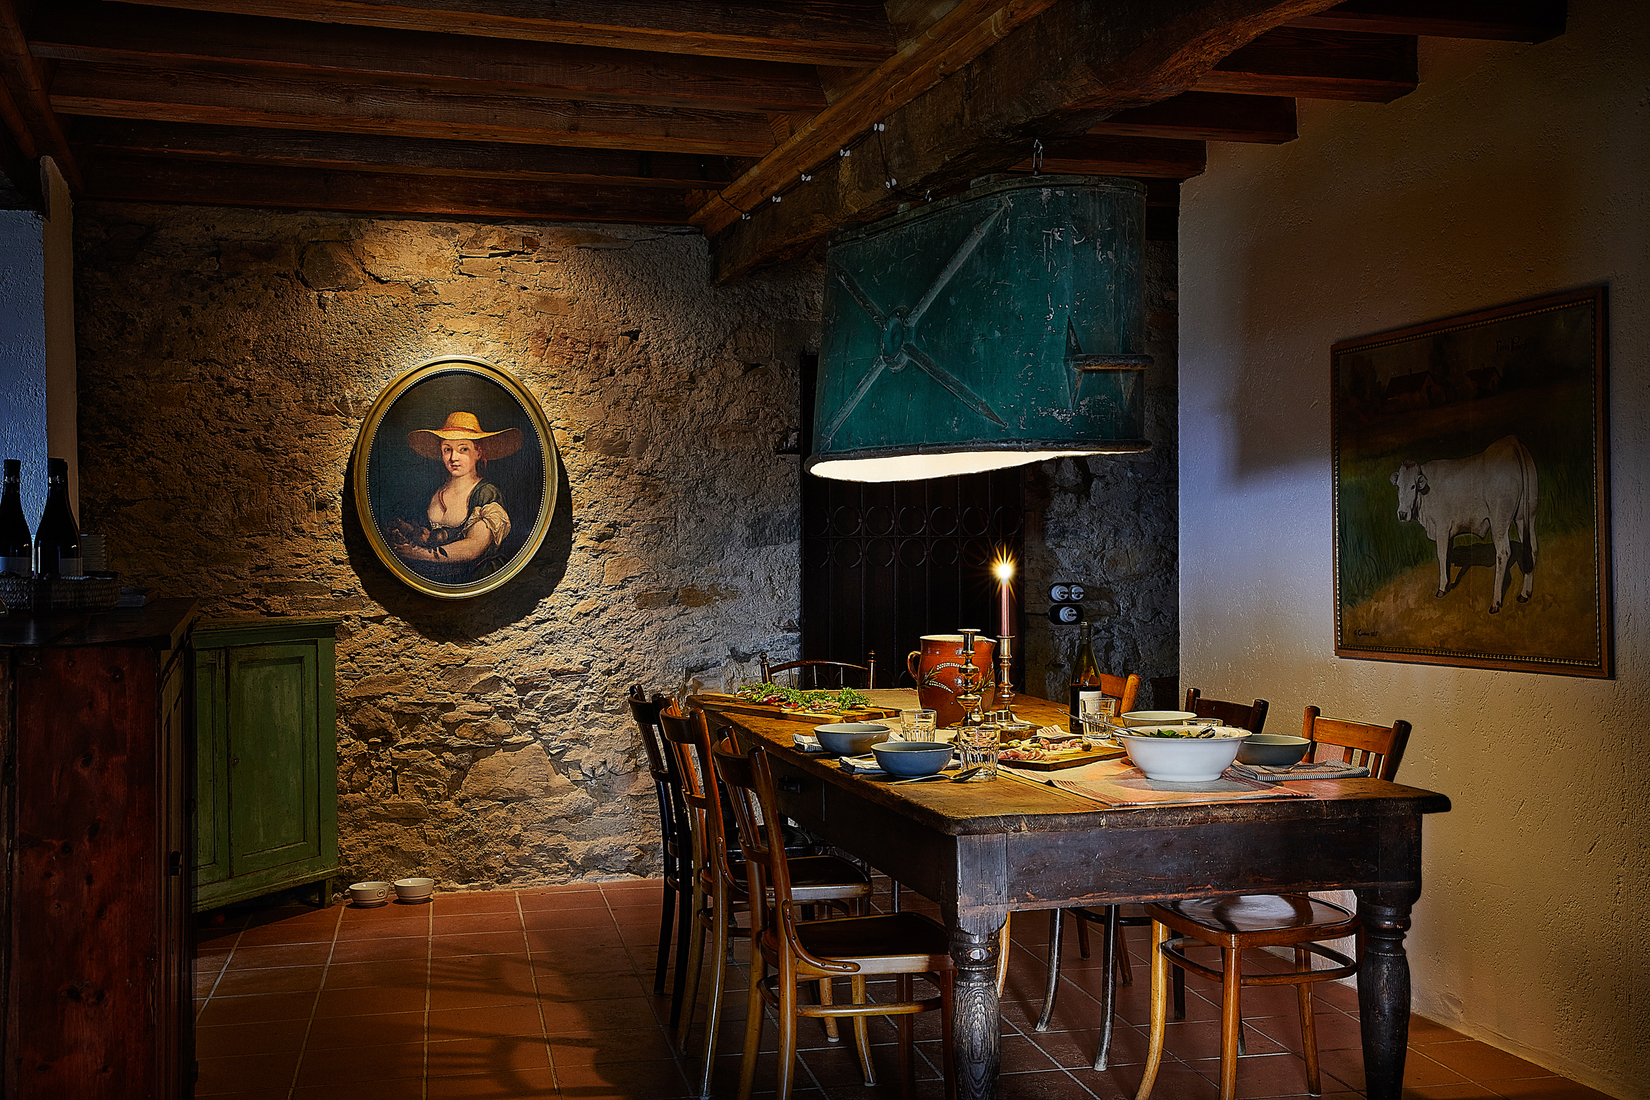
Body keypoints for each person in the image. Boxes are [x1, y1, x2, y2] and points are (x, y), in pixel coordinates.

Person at [386, 411, 521, 580]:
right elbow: (426, 535)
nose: (453, 458)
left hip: (476, 578)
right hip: (436, 579)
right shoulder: (434, 492)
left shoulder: (486, 493)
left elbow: (473, 547)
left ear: (478, 452)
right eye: (447, 449)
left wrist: (419, 553)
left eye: (463, 449)